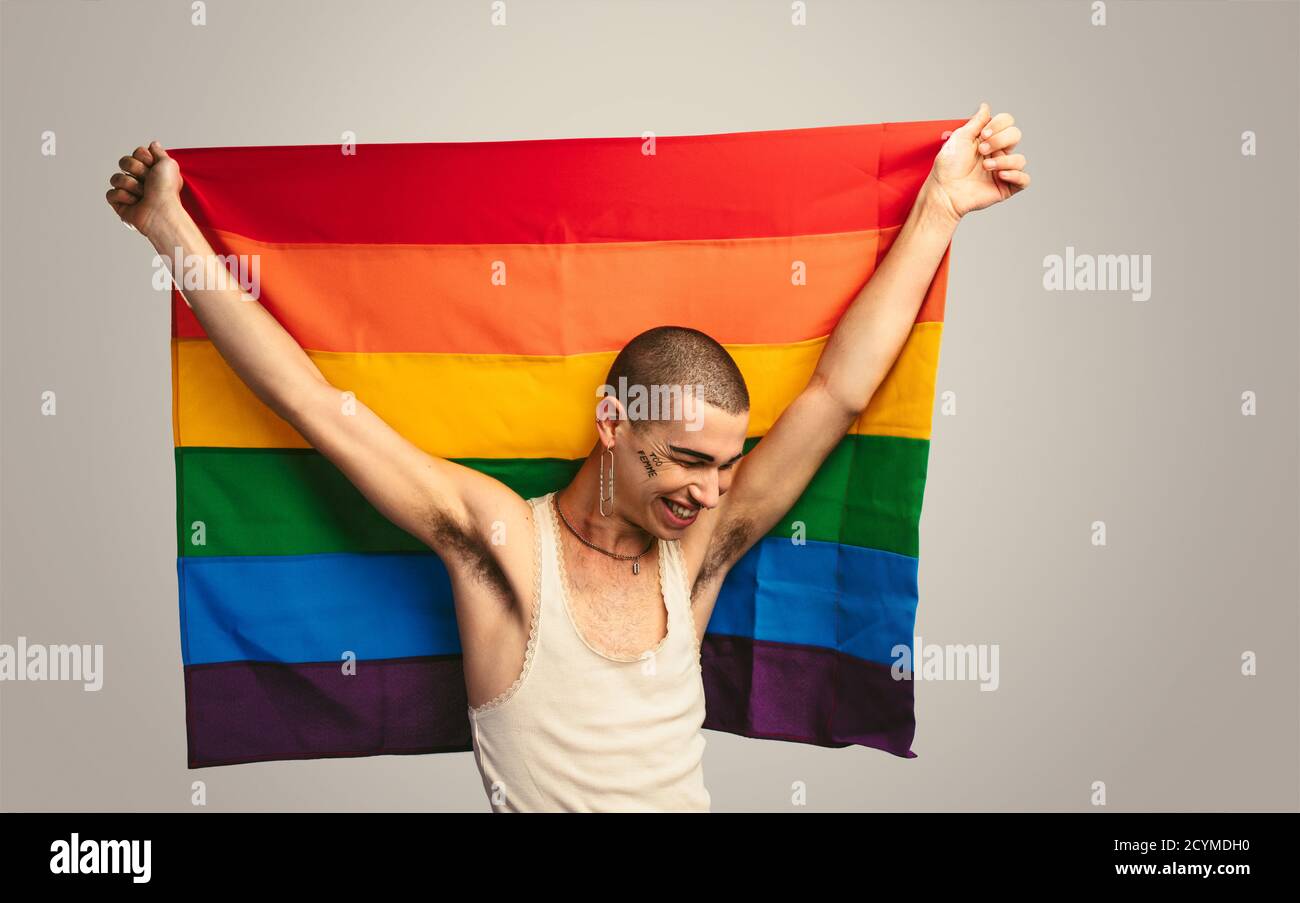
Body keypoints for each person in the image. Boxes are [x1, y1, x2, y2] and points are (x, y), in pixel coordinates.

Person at [106, 102, 1028, 812]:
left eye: (723, 463)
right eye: (682, 460)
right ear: (613, 422)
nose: (709, 491)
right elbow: (313, 405)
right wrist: (171, 232)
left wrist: (942, 204)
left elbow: (838, 392)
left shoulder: (700, 549)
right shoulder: (500, 543)